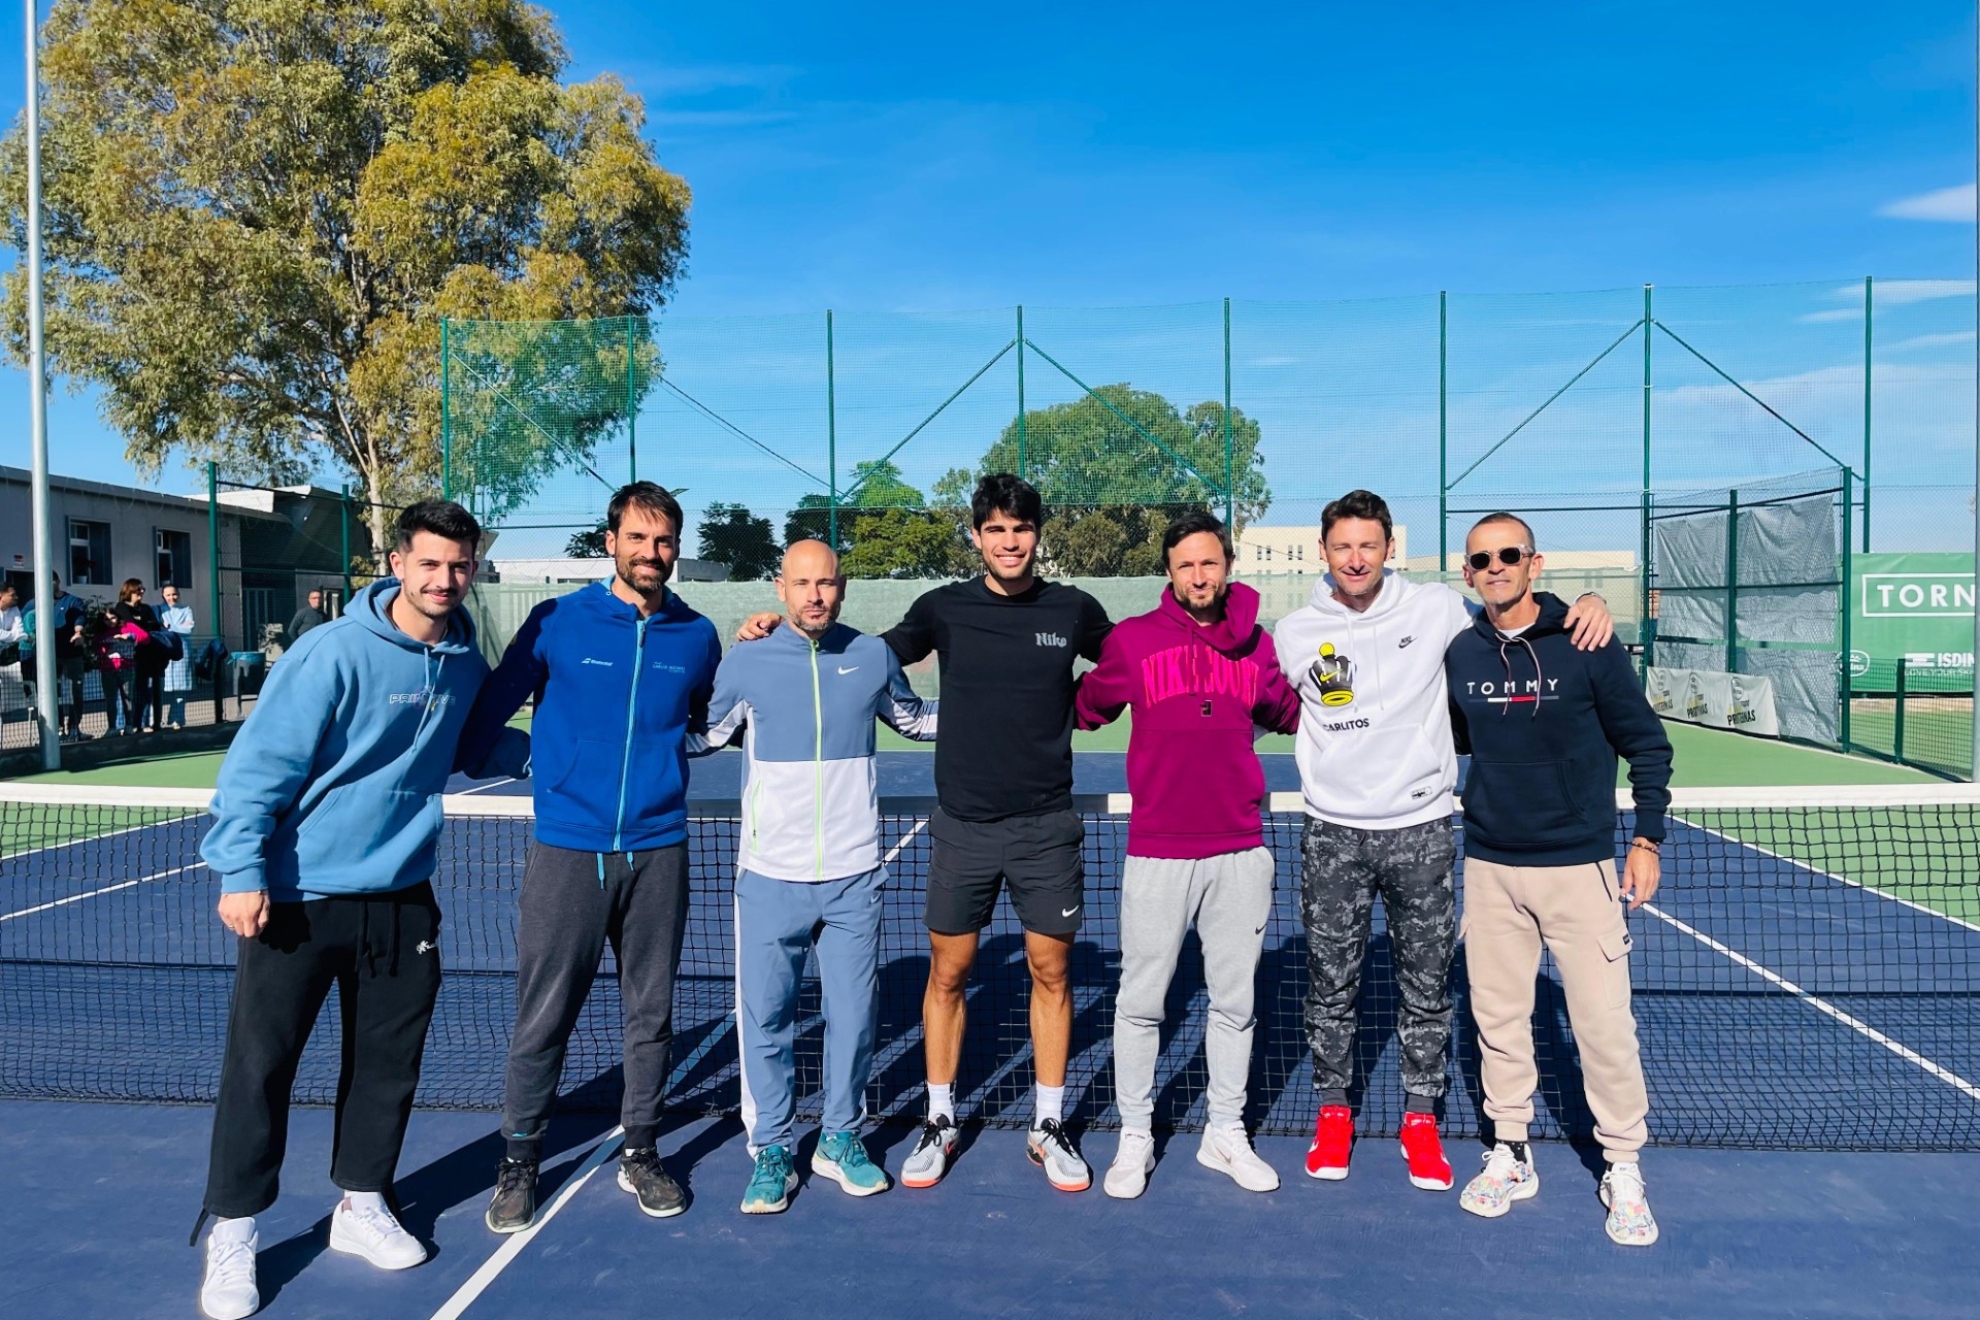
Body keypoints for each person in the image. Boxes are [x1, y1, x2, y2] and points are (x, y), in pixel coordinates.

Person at [740, 474, 1112, 1192]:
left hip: (1046, 827)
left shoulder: (1074, 610)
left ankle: (1048, 1124)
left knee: (1052, 973)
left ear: (1039, 534)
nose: (1010, 541)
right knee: (948, 974)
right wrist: (777, 634)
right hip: (964, 828)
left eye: (1022, 528)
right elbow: (859, 659)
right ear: (976, 536)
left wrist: (1091, 708)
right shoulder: (942, 608)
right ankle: (940, 1119)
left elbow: (1132, 662)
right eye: (995, 529)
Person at [191, 501, 490, 1320]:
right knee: (262, 1068)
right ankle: (235, 1229)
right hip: (296, 897)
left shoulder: (463, 660)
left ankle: (361, 1205)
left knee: (387, 1065)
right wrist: (242, 870)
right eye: (429, 563)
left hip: (401, 900)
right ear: (397, 563)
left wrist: (568, 750)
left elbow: (467, 746)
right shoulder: (331, 654)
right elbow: (258, 769)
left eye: (459, 566)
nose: (444, 580)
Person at [1274, 490, 1611, 1192]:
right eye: (1343, 546)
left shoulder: (1434, 611)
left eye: (1369, 545)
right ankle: (1334, 1110)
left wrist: (1579, 602)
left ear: (1390, 549)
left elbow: (1509, 611)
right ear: (1324, 553)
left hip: (1421, 831)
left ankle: (1420, 1118)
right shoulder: (1296, 631)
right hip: (1332, 833)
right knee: (1330, 986)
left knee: (1425, 987)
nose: (1357, 558)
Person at [456, 481, 722, 1234]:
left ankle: (641, 1151)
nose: (651, 552)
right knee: (543, 1017)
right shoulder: (557, 622)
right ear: (609, 542)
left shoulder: (697, 635)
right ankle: (518, 1164)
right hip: (567, 851)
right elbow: (483, 728)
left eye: (664, 540)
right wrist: (548, 762)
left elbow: (701, 725)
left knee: (653, 1015)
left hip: (658, 850)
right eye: (637, 538)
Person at [1445, 512, 1671, 1247]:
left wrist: (1647, 838)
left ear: (1534, 564)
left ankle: (1623, 1165)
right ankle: (1511, 1151)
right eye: (1482, 559)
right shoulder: (1460, 653)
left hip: (1580, 867)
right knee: (1500, 1023)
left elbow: (1647, 743)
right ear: (1469, 572)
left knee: (1604, 1027)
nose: (1496, 567)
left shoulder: (1587, 641)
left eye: (1509, 555)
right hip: (1490, 867)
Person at [701, 540, 937, 1214]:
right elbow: (704, 734)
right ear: (780, 588)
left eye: (826, 583)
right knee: (768, 1020)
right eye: (802, 583)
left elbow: (916, 720)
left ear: (843, 587)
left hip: (855, 876)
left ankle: (840, 1138)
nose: (815, 595)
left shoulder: (871, 655)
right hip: (769, 878)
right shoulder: (746, 660)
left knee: (855, 1019)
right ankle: (772, 1147)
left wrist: (1007, 722)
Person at [1074, 511, 1300, 1199]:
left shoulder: (1260, 648)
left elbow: (1298, 715)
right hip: (1158, 852)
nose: (1198, 576)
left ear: (1227, 565)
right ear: (1169, 573)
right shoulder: (1133, 642)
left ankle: (1224, 1133)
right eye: (1185, 566)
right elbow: (1085, 708)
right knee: (1141, 1002)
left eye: (1209, 563)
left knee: (1235, 1003)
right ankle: (1135, 1133)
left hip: (1240, 850)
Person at [23, 574, 89, 740]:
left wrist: (78, 632)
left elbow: (80, 618)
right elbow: (22, 622)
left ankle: (74, 727)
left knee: (76, 689)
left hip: (71, 654)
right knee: (50, 692)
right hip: (47, 656)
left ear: (58, 581)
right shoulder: (33, 603)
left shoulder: (72, 601)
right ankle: (56, 729)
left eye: (51, 581)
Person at [111, 578, 166, 732]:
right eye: (138, 590)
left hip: (147, 656)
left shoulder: (146, 608)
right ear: (130, 591)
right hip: (129, 656)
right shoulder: (121, 607)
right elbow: (129, 625)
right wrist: (143, 627)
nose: (141, 592)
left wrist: (144, 628)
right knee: (127, 693)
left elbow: (155, 625)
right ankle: (125, 724)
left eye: (143, 590)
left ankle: (141, 723)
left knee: (144, 691)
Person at [159, 584, 198, 728]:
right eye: (168, 595)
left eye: (174, 594)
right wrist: (177, 628)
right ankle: (157, 719)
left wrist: (169, 627)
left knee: (181, 688)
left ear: (179, 594)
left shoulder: (186, 609)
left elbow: (189, 629)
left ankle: (178, 720)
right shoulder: (159, 610)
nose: (171, 598)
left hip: (183, 651)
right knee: (162, 687)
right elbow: (159, 627)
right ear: (163, 595)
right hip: (164, 649)